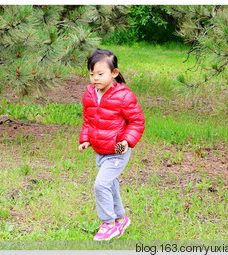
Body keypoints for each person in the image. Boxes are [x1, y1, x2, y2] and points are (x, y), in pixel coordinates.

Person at [78, 49, 145, 241]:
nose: (95, 79)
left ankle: (108, 224)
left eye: (100, 74)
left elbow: (137, 121)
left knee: (101, 184)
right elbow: (89, 120)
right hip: (101, 150)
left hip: (117, 150)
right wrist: (86, 139)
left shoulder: (123, 96)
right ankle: (121, 219)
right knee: (111, 185)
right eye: (92, 74)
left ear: (114, 73)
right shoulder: (90, 94)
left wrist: (127, 141)